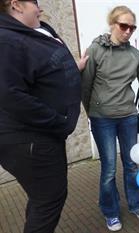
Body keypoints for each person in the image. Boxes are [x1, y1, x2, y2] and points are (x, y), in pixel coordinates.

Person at [0, 1, 88, 232]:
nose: (40, 7)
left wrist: (73, 68)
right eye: (35, 2)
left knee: (42, 198)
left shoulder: (34, 31)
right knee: (49, 199)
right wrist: (59, 122)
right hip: (31, 139)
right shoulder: (7, 40)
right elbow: (9, 95)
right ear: (16, 5)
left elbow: (42, 69)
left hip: (43, 135)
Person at [81, 5, 139, 232]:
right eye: (123, 26)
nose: (128, 31)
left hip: (128, 117)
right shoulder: (96, 50)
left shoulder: (135, 56)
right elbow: (85, 85)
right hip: (103, 119)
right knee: (109, 168)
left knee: (131, 165)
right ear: (112, 24)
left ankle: (135, 203)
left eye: (132, 27)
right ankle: (110, 211)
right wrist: (91, 112)